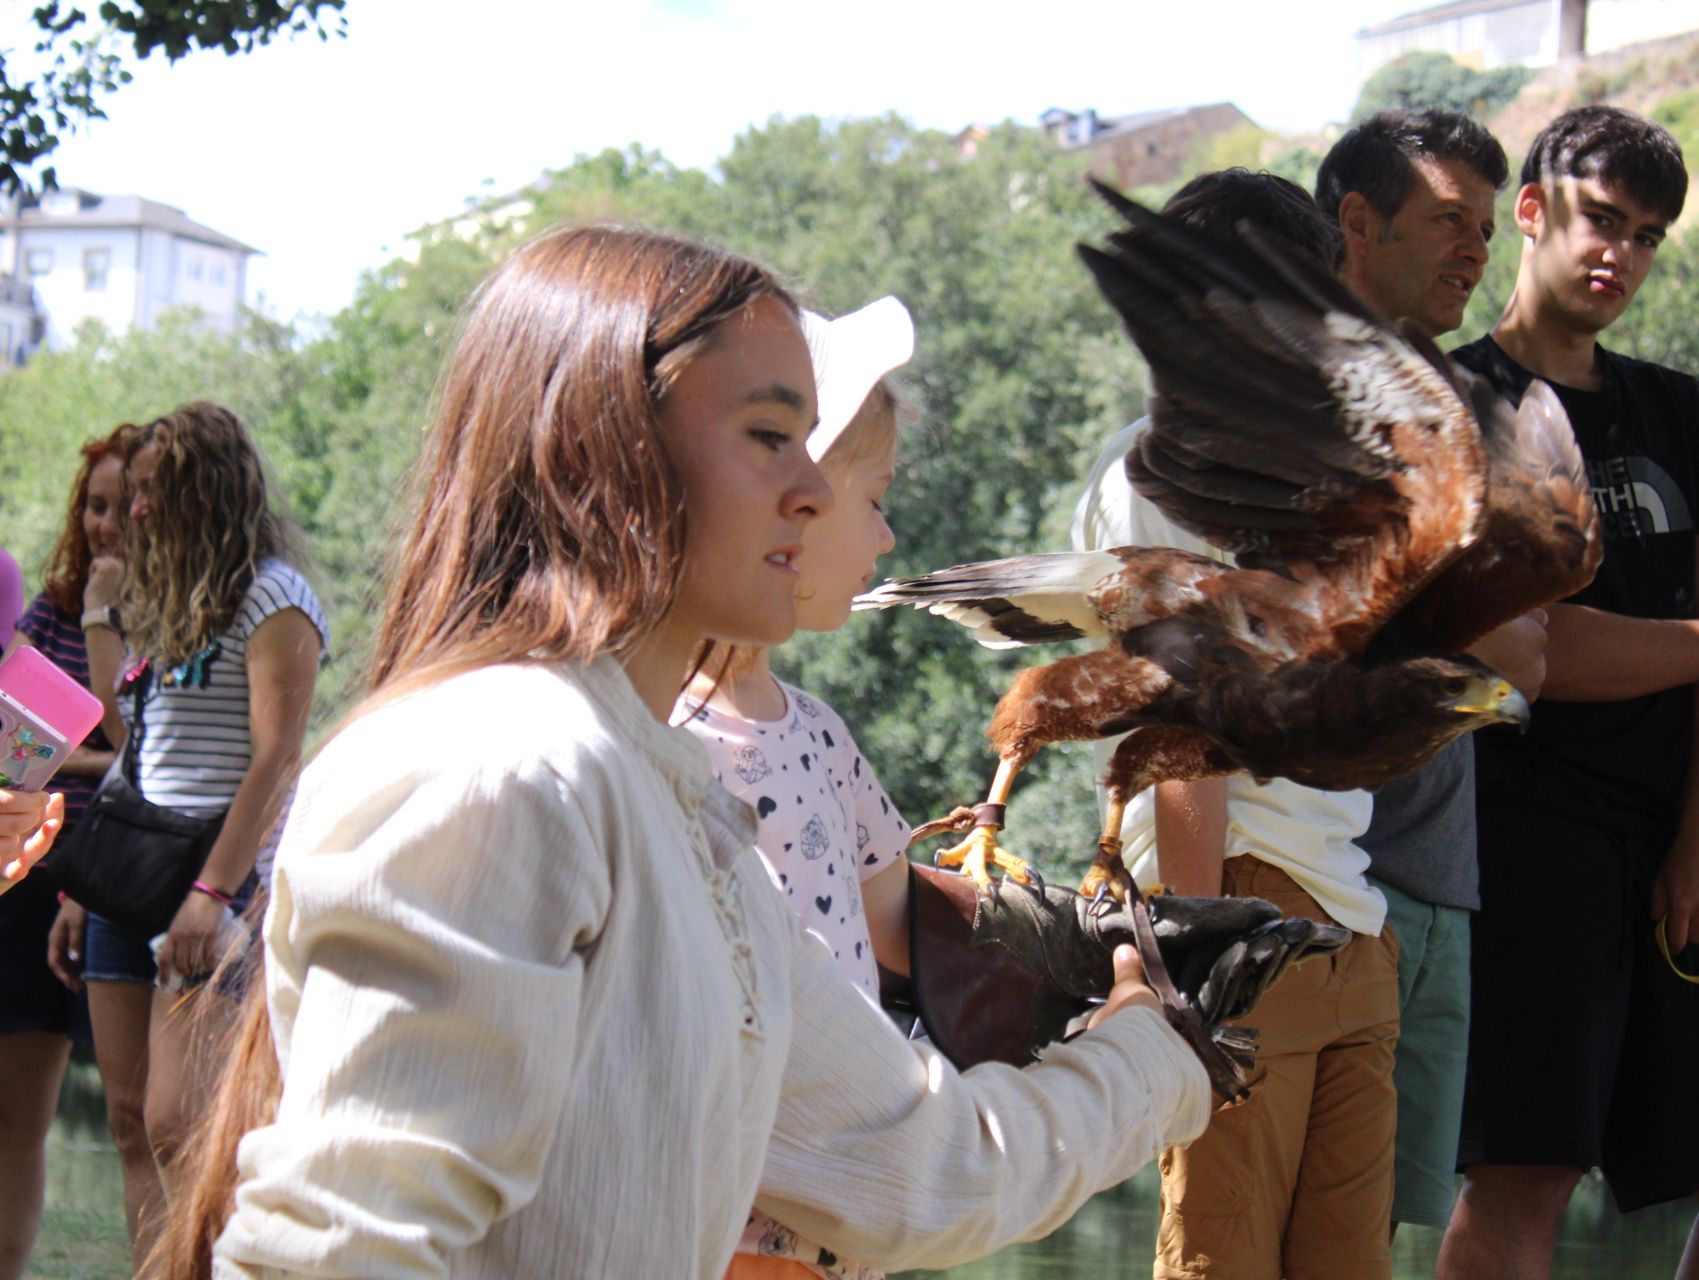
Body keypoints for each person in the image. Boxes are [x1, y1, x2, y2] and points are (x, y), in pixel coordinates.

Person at [131, 225, 1209, 1280]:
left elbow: (924, 1165)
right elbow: (345, 1254)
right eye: (769, 435)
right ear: (601, 448)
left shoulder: (686, 816)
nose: (817, 489)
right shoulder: (492, 764)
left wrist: (1153, 1042)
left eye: (814, 442)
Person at [1437, 106, 1699, 1280]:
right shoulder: (1460, 399)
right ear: (1536, 211)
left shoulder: (1678, 410)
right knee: (1528, 1178)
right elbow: (1542, 647)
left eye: (1649, 236)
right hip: (1525, 827)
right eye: (1603, 218)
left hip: (1688, 833)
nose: (1622, 254)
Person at [1071, 168, 1399, 1280]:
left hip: (1352, 911)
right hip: (1245, 901)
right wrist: (1198, 964)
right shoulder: (1160, 468)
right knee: (1222, 1258)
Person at [1314, 109, 1548, 1238]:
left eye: (1487, 227)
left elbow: (1529, 653)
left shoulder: (1467, 409)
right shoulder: (1286, 391)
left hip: (1442, 881)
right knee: (1247, 1237)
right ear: (1357, 221)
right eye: (1448, 220)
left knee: (1376, 1247)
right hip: (1305, 879)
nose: (1477, 250)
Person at [677, 296, 916, 1280]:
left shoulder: (820, 732)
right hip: (724, 1197)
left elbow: (905, 927)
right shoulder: (658, 738)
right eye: (878, 496)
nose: (889, 535)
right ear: (795, 499)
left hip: (843, 1186)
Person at [59, 403, 326, 1269]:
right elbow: (132, 740)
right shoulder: (161, 596)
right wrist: (80, 887)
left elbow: (278, 757)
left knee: (186, 1123)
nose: (134, 511)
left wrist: (213, 893)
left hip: (212, 877)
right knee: (132, 1119)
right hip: (130, 873)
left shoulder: (272, 597)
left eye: (151, 491)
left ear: (205, 490)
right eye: (130, 492)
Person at [0, 428, 134, 1279]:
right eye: (95, 505)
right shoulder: (44, 607)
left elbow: (143, 745)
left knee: (59, 1118)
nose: (106, 524)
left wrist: (104, 622)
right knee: (13, 1117)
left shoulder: (170, 620)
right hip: (22, 872)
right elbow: (13, 748)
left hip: (105, 883)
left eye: (125, 507)